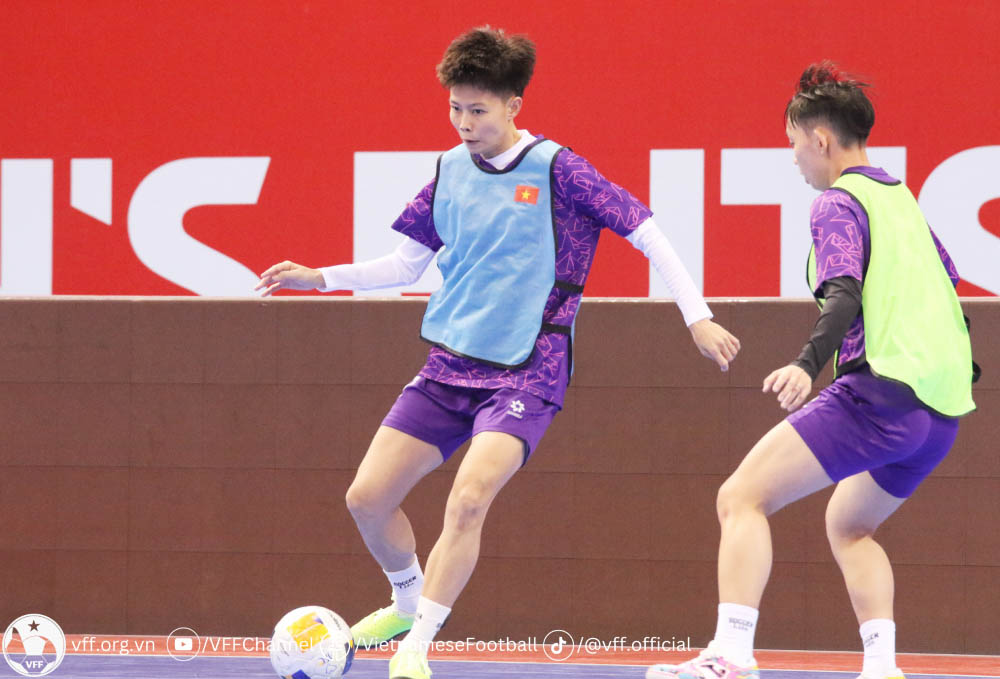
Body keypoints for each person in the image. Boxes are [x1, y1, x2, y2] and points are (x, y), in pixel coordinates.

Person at [257, 26, 740, 679]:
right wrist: (320, 276)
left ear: (514, 105)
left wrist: (698, 316)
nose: (463, 122)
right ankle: (406, 601)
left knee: (468, 499)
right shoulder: (448, 170)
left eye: (478, 109)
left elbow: (645, 230)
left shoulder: (559, 169)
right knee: (366, 497)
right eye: (455, 106)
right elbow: (405, 263)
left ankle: (417, 646)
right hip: (450, 363)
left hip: (529, 367)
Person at [645, 61, 976, 679]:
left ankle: (731, 653)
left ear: (819, 139)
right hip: (941, 414)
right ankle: (882, 665)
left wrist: (806, 364)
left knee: (740, 497)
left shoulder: (837, 202)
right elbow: (946, 278)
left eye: (794, 144)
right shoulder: (901, 199)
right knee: (850, 526)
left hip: (879, 396)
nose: (794, 158)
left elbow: (844, 292)